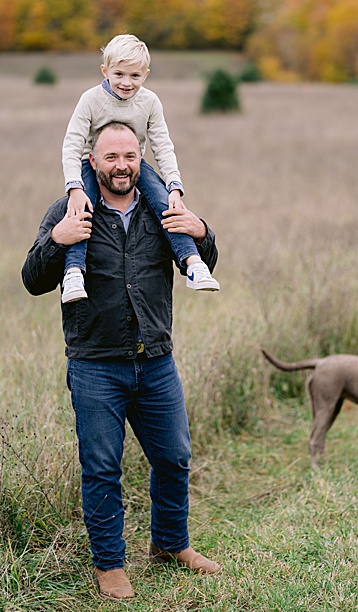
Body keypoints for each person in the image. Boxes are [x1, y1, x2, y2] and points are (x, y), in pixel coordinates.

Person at [22, 122, 223, 602]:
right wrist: (58, 237)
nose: (122, 165)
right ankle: (109, 565)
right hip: (96, 365)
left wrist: (202, 231)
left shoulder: (161, 206)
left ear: (141, 158)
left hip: (155, 359)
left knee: (174, 457)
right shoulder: (71, 208)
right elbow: (32, 279)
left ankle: (170, 545)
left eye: (130, 156)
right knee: (101, 466)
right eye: (111, 157)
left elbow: (200, 260)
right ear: (92, 161)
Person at [59, 33, 219, 304]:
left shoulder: (150, 102)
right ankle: (74, 271)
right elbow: (72, 145)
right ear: (105, 71)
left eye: (135, 76)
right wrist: (74, 186)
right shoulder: (90, 100)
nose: (126, 82)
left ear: (146, 75)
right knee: (81, 211)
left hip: (135, 163)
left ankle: (193, 263)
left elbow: (163, 146)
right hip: (93, 163)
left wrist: (175, 186)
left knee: (165, 205)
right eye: (119, 74)